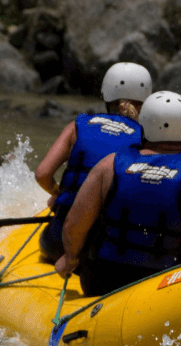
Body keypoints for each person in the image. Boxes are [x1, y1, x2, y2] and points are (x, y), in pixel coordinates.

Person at [55, 91, 181, 297]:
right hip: (167, 288)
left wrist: (70, 257)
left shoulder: (109, 165)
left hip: (101, 282)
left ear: (144, 125)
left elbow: (73, 225)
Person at [34, 62, 152, 263]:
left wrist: (58, 193)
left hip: (59, 241)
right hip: (109, 246)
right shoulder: (147, 139)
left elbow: (42, 174)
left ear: (106, 95)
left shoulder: (77, 126)